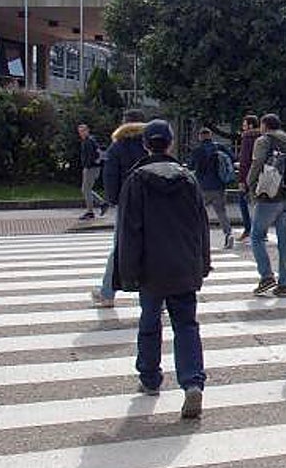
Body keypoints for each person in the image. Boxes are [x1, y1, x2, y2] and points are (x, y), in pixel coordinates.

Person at [114, 119, 210, 419]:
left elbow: (128, 231)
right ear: (170, 143)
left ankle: (150, 377)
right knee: (186, 325)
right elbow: (201, 225)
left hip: (150, 267)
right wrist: (202, 263)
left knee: (150, 321)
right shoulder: (187, 178)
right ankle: (192, 381)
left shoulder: (136, 180)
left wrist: (126, 272)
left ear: (145, 144)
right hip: (183, 264)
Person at [246, 113, 286, 297]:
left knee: (257, 235)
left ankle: (266, 276)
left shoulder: (263, 141)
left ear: (265, 126)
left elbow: (257, 163)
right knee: (283, 240)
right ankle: (284, 283)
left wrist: (249, 182)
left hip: (270, 195)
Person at [90, 109, 147, 309]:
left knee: (120, 248)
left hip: (127, 203)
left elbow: (110, 178)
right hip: (151, 203)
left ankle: (107, 293)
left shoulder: (117, 147)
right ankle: (157, 298)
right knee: (151, 248)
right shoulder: (149, 144)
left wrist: (113, 200)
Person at [188, 126, 233, 250]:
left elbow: (191, 165)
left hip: (202, 186)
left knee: (197, 213)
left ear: (200, 136)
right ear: (211, 135)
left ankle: (197, 238)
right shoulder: (219, 148)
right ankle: (228, 234)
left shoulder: (197, 150)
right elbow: (232, 158)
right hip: (219, 186)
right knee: (221, 212)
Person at [76, 123, 107, 220]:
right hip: (92, 168)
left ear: (87, 130)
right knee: (86, 189)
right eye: (80, 132)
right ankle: (101, 203)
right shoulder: (89, 141)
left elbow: (93, 155)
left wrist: (88, 166)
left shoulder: (89, 141)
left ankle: (91, 212)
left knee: (86, 190)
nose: (81, 133)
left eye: (83, 131)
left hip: (91, 168)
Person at [236, 114, 259, 241]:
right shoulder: (263, 137)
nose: (243, 127)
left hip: (248, 176)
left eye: (244, 125)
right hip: (261, 176)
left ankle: (248, 228)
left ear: (250, 125)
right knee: (259, 204)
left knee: (243, 201)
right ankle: (261, 230)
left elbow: (244, 160)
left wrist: (241, 180)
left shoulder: (247, 138)